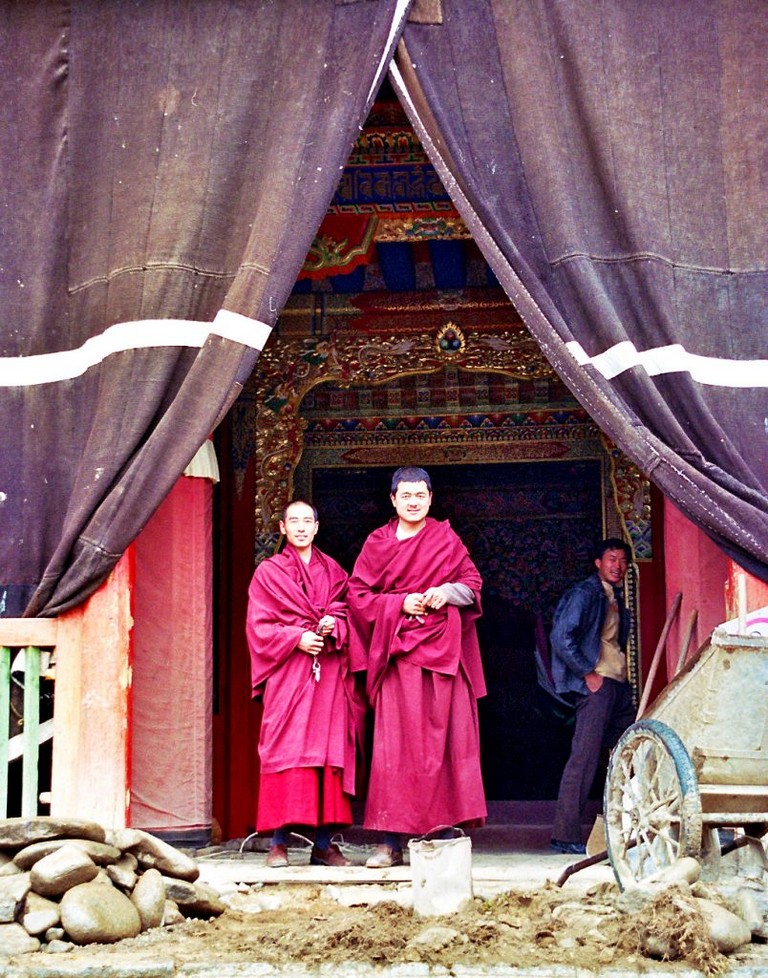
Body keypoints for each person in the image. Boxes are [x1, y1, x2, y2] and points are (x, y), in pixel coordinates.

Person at [348, 466, 487, 868]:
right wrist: (398, 603)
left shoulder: (445, 538)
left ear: (430, 498)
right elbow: (358, 596)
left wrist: (446, 592)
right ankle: (389, 840)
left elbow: (472, 583)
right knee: (395, 749)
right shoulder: (377, 543)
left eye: (420, 495)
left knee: (444, 745)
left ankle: (439, 837)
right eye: (405, 495)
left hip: (444, 656)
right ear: (393, 500)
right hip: (398, 655)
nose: (413, 501)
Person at [245, 500, 361, 868]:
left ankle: (324, 845)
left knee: (328, 753)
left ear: (316, 526)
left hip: (327, 672)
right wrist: (296, 638)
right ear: (282, 528)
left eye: (306, 521)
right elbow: (259, 625)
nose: (300, 527)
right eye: (293, 521)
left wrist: (333, 627)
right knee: (285, 750)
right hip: (289, 673)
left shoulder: (335, 571)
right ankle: (279, 843)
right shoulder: (269, 572)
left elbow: (351, 611)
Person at [549, 537, 635, 854]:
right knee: (583, 758)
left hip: (618, 684)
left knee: (631, 751)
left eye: (623, 560)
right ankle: (565, 834)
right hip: (596, 684)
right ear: (598, 563)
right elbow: (561, 636)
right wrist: (587, 672)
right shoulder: (586, 593)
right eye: (611, 559)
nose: (618, 565)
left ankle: (629, 824)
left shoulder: (617, 596)